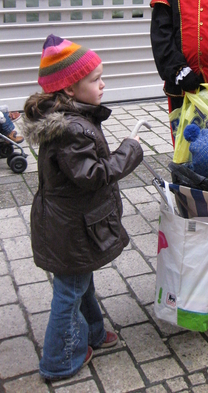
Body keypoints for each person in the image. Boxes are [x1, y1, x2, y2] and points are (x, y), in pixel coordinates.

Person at [22, 34, 143, 380]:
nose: (103, 84)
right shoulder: (72, 130)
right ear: (70, 91)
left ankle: (90, 333)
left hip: (72, 224)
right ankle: (59, 361)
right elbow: (92, 175)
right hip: (69, 227)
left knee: (80, 281)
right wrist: (129, 150)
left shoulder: (71, 118)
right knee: (70, 290)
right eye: (95, 79)